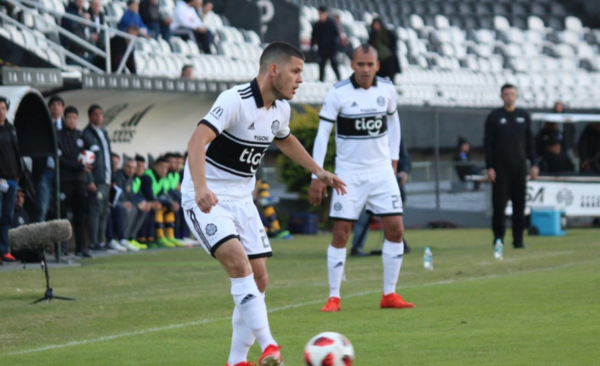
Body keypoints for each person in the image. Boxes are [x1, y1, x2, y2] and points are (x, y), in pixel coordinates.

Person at [183, 42, 344, 366]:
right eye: (296, 71)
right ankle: (269, 345)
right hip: (207, 199)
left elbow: (284, 139)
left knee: (258, 279)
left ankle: (236, 360)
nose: (300, 80)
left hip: (243, 200)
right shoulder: (235, 101)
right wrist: (200, 187)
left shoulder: (280, 110)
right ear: (274, 70)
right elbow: (197, 140)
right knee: (239, 266)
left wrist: (318, 170)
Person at [309, 45, 411, 313]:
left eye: (370, 64)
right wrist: (316, 173)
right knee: (342, 232)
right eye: (360, 64)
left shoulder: (387, 89)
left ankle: (389, 294)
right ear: (352, 64)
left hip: (381, 172)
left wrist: (394, 157)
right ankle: (334, 297)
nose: (365, 69)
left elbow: (394, 124)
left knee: (396, 229)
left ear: (377, 65)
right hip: (349, 174)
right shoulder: (338, 92)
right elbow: (323, 135)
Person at [484, 84, 538, 249]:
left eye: (512, 93)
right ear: (501, 96)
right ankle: (498, 239)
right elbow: (488, 144)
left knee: (519, 206)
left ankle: (518, 241)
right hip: (500, 169)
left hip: (519, 167)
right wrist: (490, 167)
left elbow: (530, 143)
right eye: (506, 94)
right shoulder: (494, 117)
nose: (509, 96)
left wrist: (534, 163)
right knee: (499, 206)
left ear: (516, 95)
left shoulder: (523, 116)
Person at [350, 138, 411, 257]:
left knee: (392, 219)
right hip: (367, 182)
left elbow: (403, 156)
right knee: (364, 217)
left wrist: (404, 171)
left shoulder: (394, 134)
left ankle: (392, 245)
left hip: (390, 185)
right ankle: (357, 246)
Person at [57, 106, 93, 258]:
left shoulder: (81, 135)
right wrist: (79, 166)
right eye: (69, 117)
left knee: (80, 215)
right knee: (63, 216)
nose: (72, 120)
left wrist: (89, 166)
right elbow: (59, 158)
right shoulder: (58, 135)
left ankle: (81, 247)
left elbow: (92, 153)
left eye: (74, 118)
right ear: (64, 119)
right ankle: (62, 248)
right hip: (65, 181)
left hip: (80, 181)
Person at [83, 105, 113, 251]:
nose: (99, 117)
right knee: (95, 210)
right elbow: (85, 160)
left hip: (106, 179)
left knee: (105, 211)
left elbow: (108, 157)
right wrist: (90, 180)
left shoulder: (104, 133)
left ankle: (101, 241)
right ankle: (94, 242)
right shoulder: (87, 134)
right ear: (90, 117)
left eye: (101, 114)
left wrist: (111, 177)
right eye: (95, 114)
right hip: (97, 180)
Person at [33, 95, 64, 223]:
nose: (56, 107)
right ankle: (40, 242)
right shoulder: (42, 125)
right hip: (45, 171)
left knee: (61, 208)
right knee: (42, 208)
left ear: (62, 108)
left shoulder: (67, 127)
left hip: (62, 172)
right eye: (53, 105)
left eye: (58, 104)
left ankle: (61, 243)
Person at [141, 157, 181, 248]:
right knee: (157, 208)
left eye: (166, 168)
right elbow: (148, 194)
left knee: (169, 208)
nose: (164, 170)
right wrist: (157, 202)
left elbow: (163, 194)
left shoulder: (162, 178)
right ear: (155, 166)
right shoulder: (148, 176)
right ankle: (157, 238)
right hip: (146, 202)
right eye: (161, 167)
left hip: (153, 202)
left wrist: (172, 203)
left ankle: (170, 236)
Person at [0, 96, 20, 263]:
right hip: (0, 180)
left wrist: (19, 172)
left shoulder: (11, 128)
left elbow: (15, 152)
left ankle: (4, 250)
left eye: (3, 108)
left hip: (12, 178)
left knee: (7, 216)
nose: (1, 112)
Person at [114, 158, 149, 250]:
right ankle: (121, 238)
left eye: (133, 168)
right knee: (130, 209)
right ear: (123, 167)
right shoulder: (119, 176)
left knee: (143, 209)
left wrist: (141, 202)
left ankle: (130, 237)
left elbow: (131, 194)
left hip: (126, 202)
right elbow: (118, 195)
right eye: (128, 167)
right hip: (116, 203)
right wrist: (133, 204)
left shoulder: (131, 178)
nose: (131, 170)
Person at [310, 6, 341, 82]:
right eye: (320, 14)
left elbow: (337, 36)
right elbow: (314, 37)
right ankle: (321, 79)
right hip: (322, 48)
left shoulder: (331, 23)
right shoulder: (317, 25)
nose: (321, 15)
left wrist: (336, 48)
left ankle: (339, 79)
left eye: (322, 14)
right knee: (321, 65)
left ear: (326, 14)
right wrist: (312, 46)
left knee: (334, 64)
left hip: (331, 48)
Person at [369, 18, 401, 83]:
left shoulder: (387, 33)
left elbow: (393, 43)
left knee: (391, 75)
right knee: (379, 77)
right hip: (378, 59)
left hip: (388, 57)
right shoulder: (372, 35)